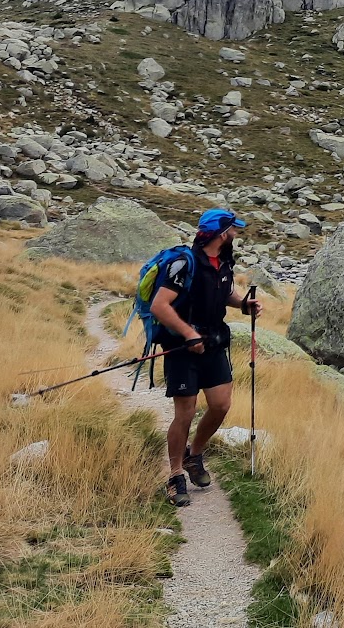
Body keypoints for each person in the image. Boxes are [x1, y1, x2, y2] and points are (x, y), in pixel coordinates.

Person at [149, 208, 263, 507]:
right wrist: (189, 334)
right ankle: (175, 475)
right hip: (182, 349)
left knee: (221, 405)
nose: (236, 234)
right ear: (222, 233)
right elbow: (160, 306)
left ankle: (194, 454)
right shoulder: (183, 263)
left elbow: (224, 293)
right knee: (185, 413)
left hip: (213, 344)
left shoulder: (223, 262)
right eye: (233, 229)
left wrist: (244, 304)